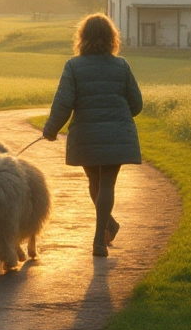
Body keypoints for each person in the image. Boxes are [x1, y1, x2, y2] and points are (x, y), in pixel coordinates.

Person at [42, 13, 143, 258]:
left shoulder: (73, 66)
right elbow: (137, 104)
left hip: (85, 134)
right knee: (107, 183)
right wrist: (117, 116)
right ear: (111, 38)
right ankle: (103, 234)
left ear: (82, 38)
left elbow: (64, 103)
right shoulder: (121, 66)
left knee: (94, 182)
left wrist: (51, 129)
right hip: (117, 134)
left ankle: (102, 234)